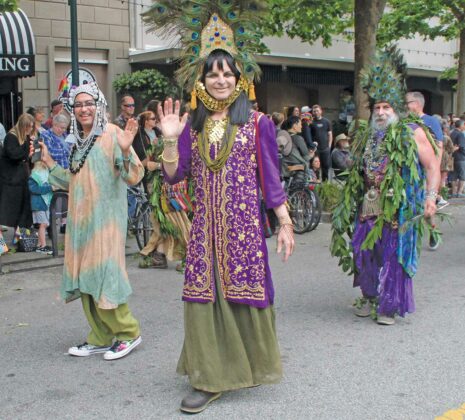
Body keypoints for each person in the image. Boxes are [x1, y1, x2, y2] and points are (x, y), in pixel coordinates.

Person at [143, 4, 294, 413]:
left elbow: (271, 178)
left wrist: (283, 223)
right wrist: (171, 139)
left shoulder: (259, 122)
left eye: (227, 72)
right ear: (202, 79)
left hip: (243, 229)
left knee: (243, 293)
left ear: (238, 77)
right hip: (205, 229)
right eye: (213, 73)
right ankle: (209, 377)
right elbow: (175, 176)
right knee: (202, 296)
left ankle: (245, 367)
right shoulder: (192, 123)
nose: (221, 79)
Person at [331, 46, 440, 326]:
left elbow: (432, 166)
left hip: (399, 208)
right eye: (377, 107)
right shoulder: (368, 135)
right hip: (369, 204)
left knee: (393, 253)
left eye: (386, 107)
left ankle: (389, 306)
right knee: (364, 249)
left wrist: (431, 198)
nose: (380, 112)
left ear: (396, 109)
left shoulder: (413, 133)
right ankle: (369, 295)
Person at [38, 81, 144, 360]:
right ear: (72, 111)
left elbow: (134, 175)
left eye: (89, 103)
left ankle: (128, 332)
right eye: (79, 105)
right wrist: (49, 164)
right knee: (86, 277)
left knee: (106, 276)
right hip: (81, 224)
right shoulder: (78, 141)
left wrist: (124, 150)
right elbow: (72, 177)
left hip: (107, 221)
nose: (84, 109)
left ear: (99, 106)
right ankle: (99, 335)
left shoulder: (113, 134)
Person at [0, 113, 35, 253]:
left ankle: (19, 240)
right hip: (9, 181)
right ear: (23, 126)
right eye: (28, 127)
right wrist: (27, 150)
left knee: (22, 211)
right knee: (4, 212)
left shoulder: (24, 138)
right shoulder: (11, 137)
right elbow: (14, 155)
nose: (30, 130)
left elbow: (24, 157)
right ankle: (1, 245)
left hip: (21, 180)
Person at [41, 113, 71, 233]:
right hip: (52, 172)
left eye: (65, 128)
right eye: (60, 127)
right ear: (54, 124)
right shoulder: (45, 135)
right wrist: (66, 152)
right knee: (52, 201)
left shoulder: (65, 135)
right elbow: (50, 153)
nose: (63, 130)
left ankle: (64, 225)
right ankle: (51, 228)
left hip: (65, 171)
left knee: (65, 201)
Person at [28, 160, 53, 255]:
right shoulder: (34, 176)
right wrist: (50, 188)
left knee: (45, 224)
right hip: (38, 204)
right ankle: (43, 246)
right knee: (43, 224)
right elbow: (34, 189)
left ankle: (39, 245)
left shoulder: (47, 172)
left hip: (45, 203)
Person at [311, 104, 333, 180]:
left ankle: (325, 185)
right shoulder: (311, 122)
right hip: (316, 149)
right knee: (315, 167)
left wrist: (329, 146)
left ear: (321, 111)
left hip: (325, 148)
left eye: (317, 111)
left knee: (325, 167)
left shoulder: (326, 122)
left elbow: (330, 134)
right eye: (314, 111)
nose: (316, 112)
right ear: (312, 113)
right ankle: (315, 184)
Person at [438, 119, 456, 205]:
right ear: (444, 128)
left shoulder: (435, 135)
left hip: (436, 158)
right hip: (444, 159)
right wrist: (456, 148)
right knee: (443, 179)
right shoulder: (446, 137)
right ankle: (441, 197)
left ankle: (436, 196)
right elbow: (451, 149)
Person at [450, 119, 465, 197]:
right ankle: (459, 192)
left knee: (454, 175)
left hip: (453, 156)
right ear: (461, 126)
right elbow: (461, 146)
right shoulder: (460, 134)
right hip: (461, 157)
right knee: (462, 175)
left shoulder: (451, 133)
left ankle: (453, 192)